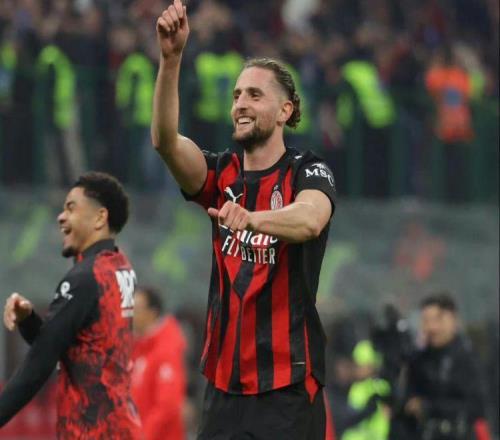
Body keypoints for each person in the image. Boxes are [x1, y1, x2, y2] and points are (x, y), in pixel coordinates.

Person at [152, 1, 336, 438]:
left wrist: (253, 219)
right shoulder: (221, 173)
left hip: (287, 388)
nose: (240, 104)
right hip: (223, 388)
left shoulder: (308, 170)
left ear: (286, 110)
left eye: (254, 94)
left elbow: (310, 220)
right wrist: (171, 60)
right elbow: (165, 142)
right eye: (236, 95)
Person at [0, 172, 141, 439]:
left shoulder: (85, 278)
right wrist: (28, 319)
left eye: (71, 208)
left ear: (100, 217)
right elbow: (67, 345)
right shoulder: (120, 265)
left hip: (93, 432)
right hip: (120, 426)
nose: (61, 217)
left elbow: (39, 363)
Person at [401, 292, 491, 440]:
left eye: (437, 319)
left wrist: (430, 407)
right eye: (426, 320)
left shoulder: (466, 358)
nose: (431, 327)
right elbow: (408, 399)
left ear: (453, 320)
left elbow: (476, 407)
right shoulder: (418, 360)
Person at [131, 285, 188, 440]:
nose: (132, 314)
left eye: (137, 309)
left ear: (152, 313)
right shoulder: (138, 347)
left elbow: (168, 405)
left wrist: (143, 435)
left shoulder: (166, 350)